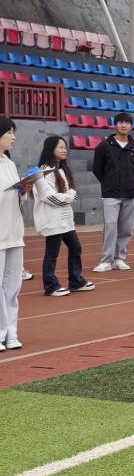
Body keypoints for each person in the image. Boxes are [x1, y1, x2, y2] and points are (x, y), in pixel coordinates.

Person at [33, 135, 95, 297]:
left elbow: (72, 192)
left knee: (76, 247)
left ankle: (76, 281)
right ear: (50, 149)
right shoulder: (42, 172)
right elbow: (49, 197)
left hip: (65, 219)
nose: (64, 150)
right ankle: (50, 286)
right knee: (52, 253)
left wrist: (69, 196)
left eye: (65, 147)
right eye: (60, 147)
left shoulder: (62, 168)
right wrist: (69, 197)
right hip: (52, 219)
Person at [91, 112, 134, 272]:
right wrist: (109, 183)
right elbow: (97, 169)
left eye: (127, 123)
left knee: (126, 229)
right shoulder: (104, 146)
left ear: (131, 126)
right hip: (111, 193)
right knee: (111, 226)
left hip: (131, 193)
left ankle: (120, 258)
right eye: (120, 122)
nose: (123, 125)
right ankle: (106, 260)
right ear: (115, 125)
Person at [0, 118, 25, 349]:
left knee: (13, 285)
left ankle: (11, 332)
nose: (13, 137)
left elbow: (16, 195)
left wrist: (23, 190)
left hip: (14, 231)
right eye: (9, 132)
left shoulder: (9, 162)